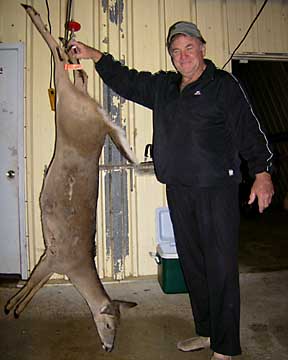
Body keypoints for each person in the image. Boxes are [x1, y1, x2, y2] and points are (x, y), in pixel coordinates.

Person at [69, 21, 274, 360]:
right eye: (176, 51)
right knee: (193, 266)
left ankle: (226, 347)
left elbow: (249, 130)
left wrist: (262, 172)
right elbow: (128, 80)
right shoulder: (165, 87)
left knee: (220, 268)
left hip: (216, 190)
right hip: (179, 189)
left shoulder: (222, 86)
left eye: (189, 48)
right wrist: (93, 55)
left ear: (202, 49)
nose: (183, 56)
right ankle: (207, 332)